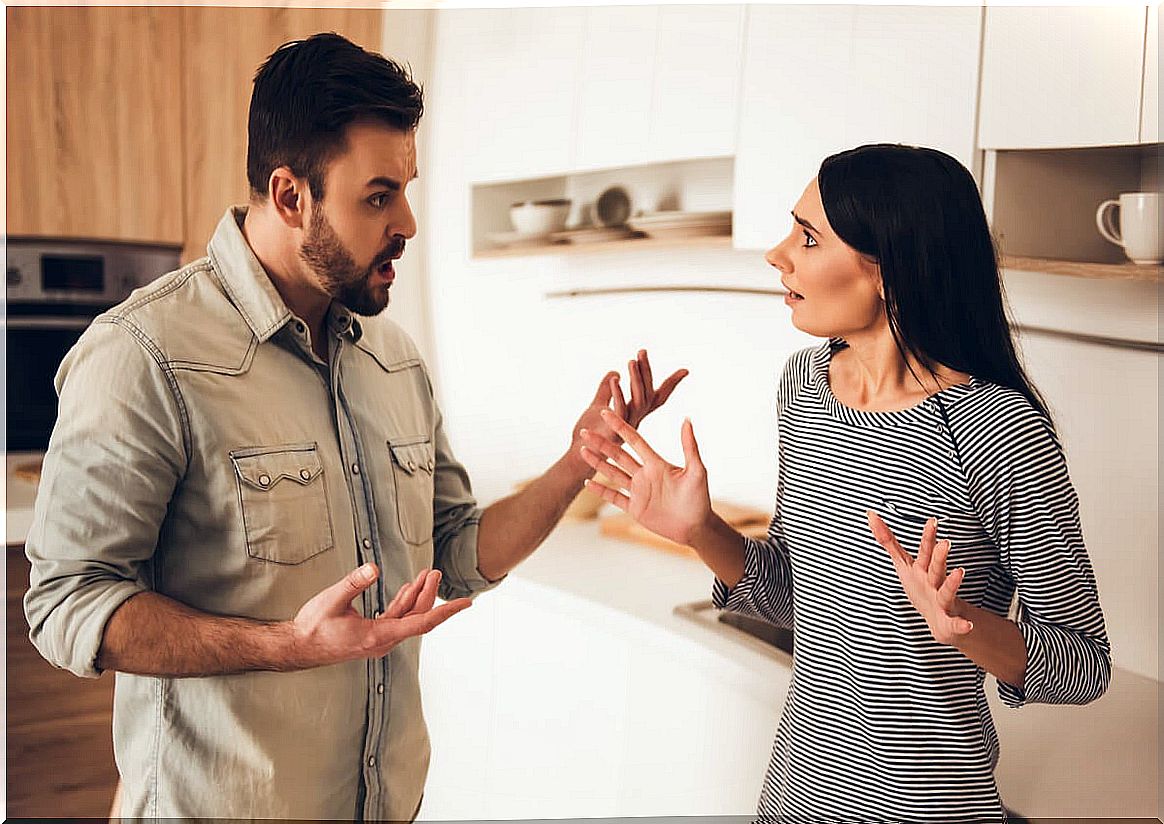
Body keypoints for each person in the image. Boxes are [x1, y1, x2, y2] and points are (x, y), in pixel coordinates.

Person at [22, 33, 686, 821]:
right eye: (378, 196)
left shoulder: (394, 359)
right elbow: (68, 601)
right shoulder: (145, 353)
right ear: (291, 194)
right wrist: (285, 647)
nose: (407, 220)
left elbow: (454, 551)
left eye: (406, 188)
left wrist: (578, 461)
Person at [579, 144, 1111, 821]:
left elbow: (1084, 663)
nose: (777, 255)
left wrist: (962, 626)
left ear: (888, 270)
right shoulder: (804, 387)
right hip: (795, 797)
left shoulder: (1000, 434)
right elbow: (799, 601)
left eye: (807, 238)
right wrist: (702, 532)